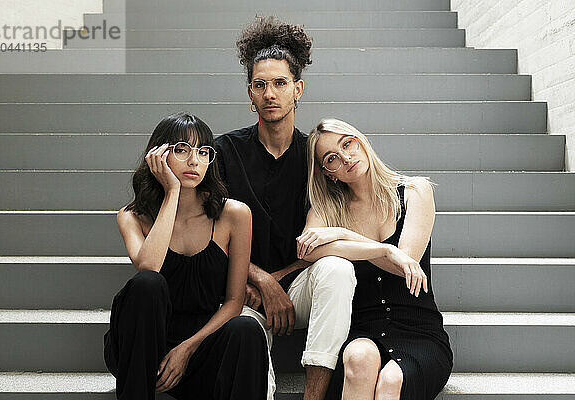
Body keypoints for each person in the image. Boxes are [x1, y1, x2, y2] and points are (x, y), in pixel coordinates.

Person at [214, 16, 357, 400]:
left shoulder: (317, 156)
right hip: (241, 288)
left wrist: (278, 282)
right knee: (241, 330)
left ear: (298, 89)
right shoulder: (224, 152)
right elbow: (210, 234)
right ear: (249, 93)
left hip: (299, 284)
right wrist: (259, 279)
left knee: (338, 269)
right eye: (260, 85)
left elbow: (325, 239)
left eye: (279, 83)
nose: (270, 93)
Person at [103, 112, 268, 400]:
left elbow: (234, 302)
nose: (194, 161)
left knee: (247, 328)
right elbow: (149, 267)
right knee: (147, 285)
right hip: (142, 347)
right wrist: (172, 192)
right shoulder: (132, 216)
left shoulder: (234, 214)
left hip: (199, 347)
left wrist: (187, 349)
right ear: (157, 156)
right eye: (182, 150)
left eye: (203, 152)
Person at [297, 118, 453, 400]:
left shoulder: (414, 191)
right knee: (359, 359)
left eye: (348, 144)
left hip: (419, 331)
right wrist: (383, 249)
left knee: (391, 381)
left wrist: (343, 234)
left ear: (361, 141)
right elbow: (308, 250)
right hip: (362, 329)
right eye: (332, 158)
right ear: (328, 173)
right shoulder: (327, 209)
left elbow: (405, 263)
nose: (345, 158)